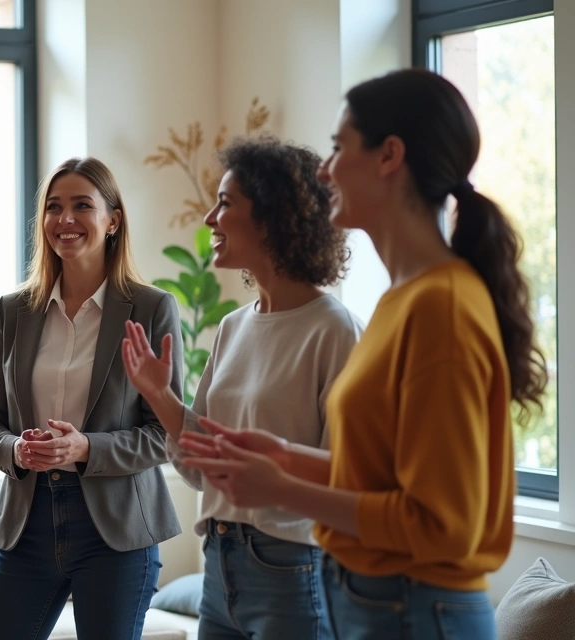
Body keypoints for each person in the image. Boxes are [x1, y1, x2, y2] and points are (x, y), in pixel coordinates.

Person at [179, 68, 547, 640]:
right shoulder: (402, 302)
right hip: (378, 606)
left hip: (417, 613)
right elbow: (384, 480)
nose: (324, 172)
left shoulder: (441, 306)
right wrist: (284, 456)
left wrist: (282, 488)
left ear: (388, 156)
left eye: (337, 148)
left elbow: (442, 526)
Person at [122, 136, 361, 640]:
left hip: (292, 567)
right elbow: (200, 469)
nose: (210, 218)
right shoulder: (233, 326)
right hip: (219, 561)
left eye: (226, 203)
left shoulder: (334, 330)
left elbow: (348, 476)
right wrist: (160, 396)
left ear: (274, 218)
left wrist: (273, 475)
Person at [0, 157, 184, 640]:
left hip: (117, 531)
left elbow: (166, 432)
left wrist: (85, 448)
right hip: (27, 524)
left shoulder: (151, 308)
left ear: (113, 219)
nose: (64, 220)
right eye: (53, 207)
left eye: (82, 206)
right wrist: (16, 450)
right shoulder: (14, 311)